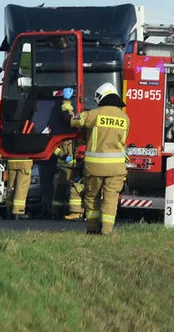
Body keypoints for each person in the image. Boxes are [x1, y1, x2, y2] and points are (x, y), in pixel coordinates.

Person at [63, 82, 130, 235]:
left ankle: (92, 228)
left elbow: (72, 120)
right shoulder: (125, 118)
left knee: (91, 196)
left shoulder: (94, 114)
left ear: (101, 97)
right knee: (110, 198)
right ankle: (107, 231)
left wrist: (66, 103)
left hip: (95, 167)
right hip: (117, 168)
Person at [52, 136, 84, 220]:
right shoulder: (62, 133)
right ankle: (57, 213)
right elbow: (53, 148)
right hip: (64, 167)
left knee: (74, 190)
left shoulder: (81, 133)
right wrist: (63, 156)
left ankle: (72, 212)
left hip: (78, 167)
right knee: (60, 190)